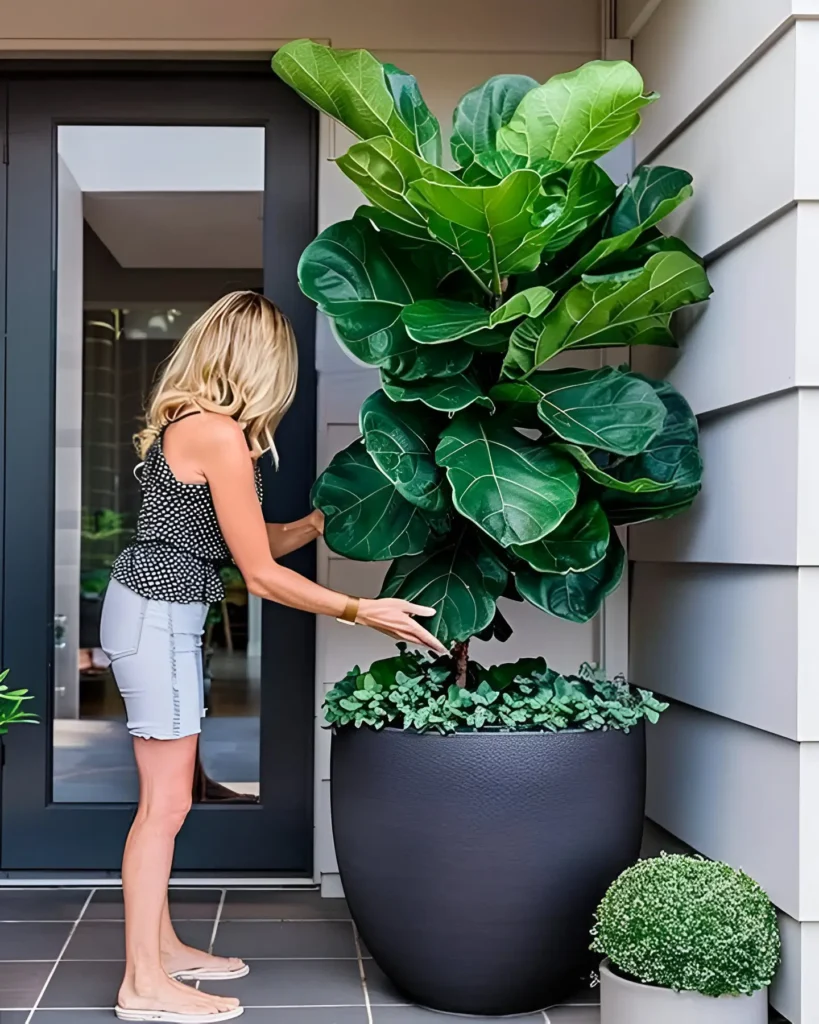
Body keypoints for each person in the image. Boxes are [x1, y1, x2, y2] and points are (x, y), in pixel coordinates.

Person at [101, 291, 447, 1023]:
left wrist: (325, 518)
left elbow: (253, 543)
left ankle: (159, 950)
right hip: (158, 617)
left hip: (159, 611)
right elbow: (257, 575)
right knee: (164, 806)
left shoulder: (199, 427)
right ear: (263, 364)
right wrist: (362, 610)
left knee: (167, 800)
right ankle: (142, 985)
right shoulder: (218, 435)